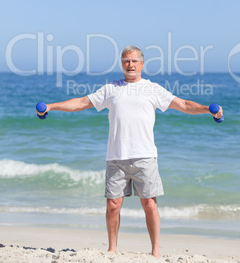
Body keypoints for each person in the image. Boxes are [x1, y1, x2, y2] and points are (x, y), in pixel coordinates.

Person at [37, 45, 223, 258]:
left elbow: (183, 104)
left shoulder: (152, 89)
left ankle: (155, 252)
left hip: (145, 156)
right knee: (113, 205)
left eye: (134, 61)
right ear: (122, 64)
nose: (130, 64)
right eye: (126, 61)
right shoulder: (111, 89)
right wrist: (51, 106)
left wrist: (208, 109)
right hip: (116, 156)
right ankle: (112, 250)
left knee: (149, 204)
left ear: (142, 64)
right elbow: (81, 102)